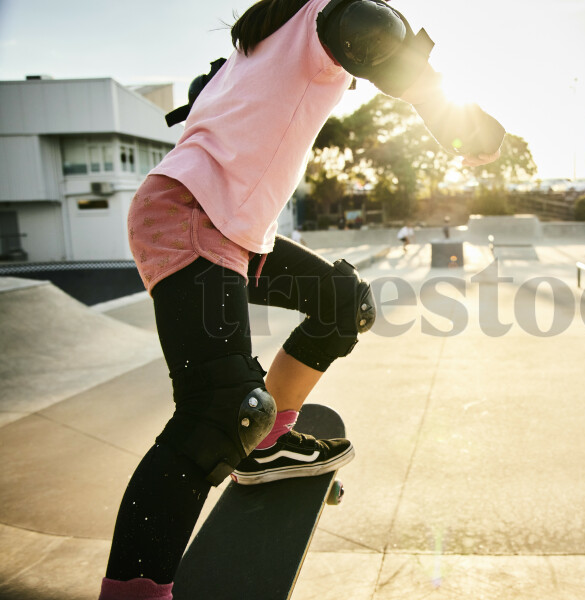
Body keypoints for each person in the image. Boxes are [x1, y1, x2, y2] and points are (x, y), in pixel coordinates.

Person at [99, 1, 504, 598]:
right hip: (191, 214)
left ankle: (264, 445)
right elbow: (377, 43)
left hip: (232, 230)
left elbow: (215, 92)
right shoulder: (333, 15)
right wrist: (458, 122)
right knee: (217, 414)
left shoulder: (265, 37)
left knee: (343, 301)